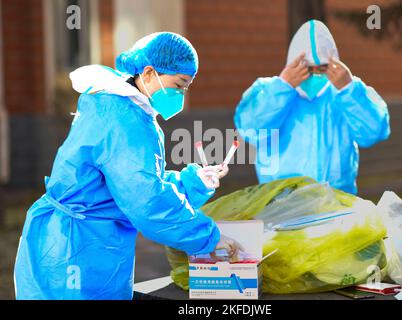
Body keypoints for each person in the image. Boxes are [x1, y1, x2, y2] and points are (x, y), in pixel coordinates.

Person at [14, 32, 240, 300]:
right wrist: (208, 238)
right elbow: (146, 199)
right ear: (148, 73)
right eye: (179, 84)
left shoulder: (120, 107)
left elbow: (132, 183)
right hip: (76, 252)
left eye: (185, 87)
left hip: (83, 240)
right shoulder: (124, 120)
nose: (180, 94)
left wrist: (194, 181)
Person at [234, 20, 390, 194]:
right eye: (307, 68)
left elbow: (374, 132)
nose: (315, 74)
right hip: (281, 205)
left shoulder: (345, 92)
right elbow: (250, 130)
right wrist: (282, 87)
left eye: (322, 68)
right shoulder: (266, 91)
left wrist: (349, 89)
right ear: (292, 62)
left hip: (337, 204)